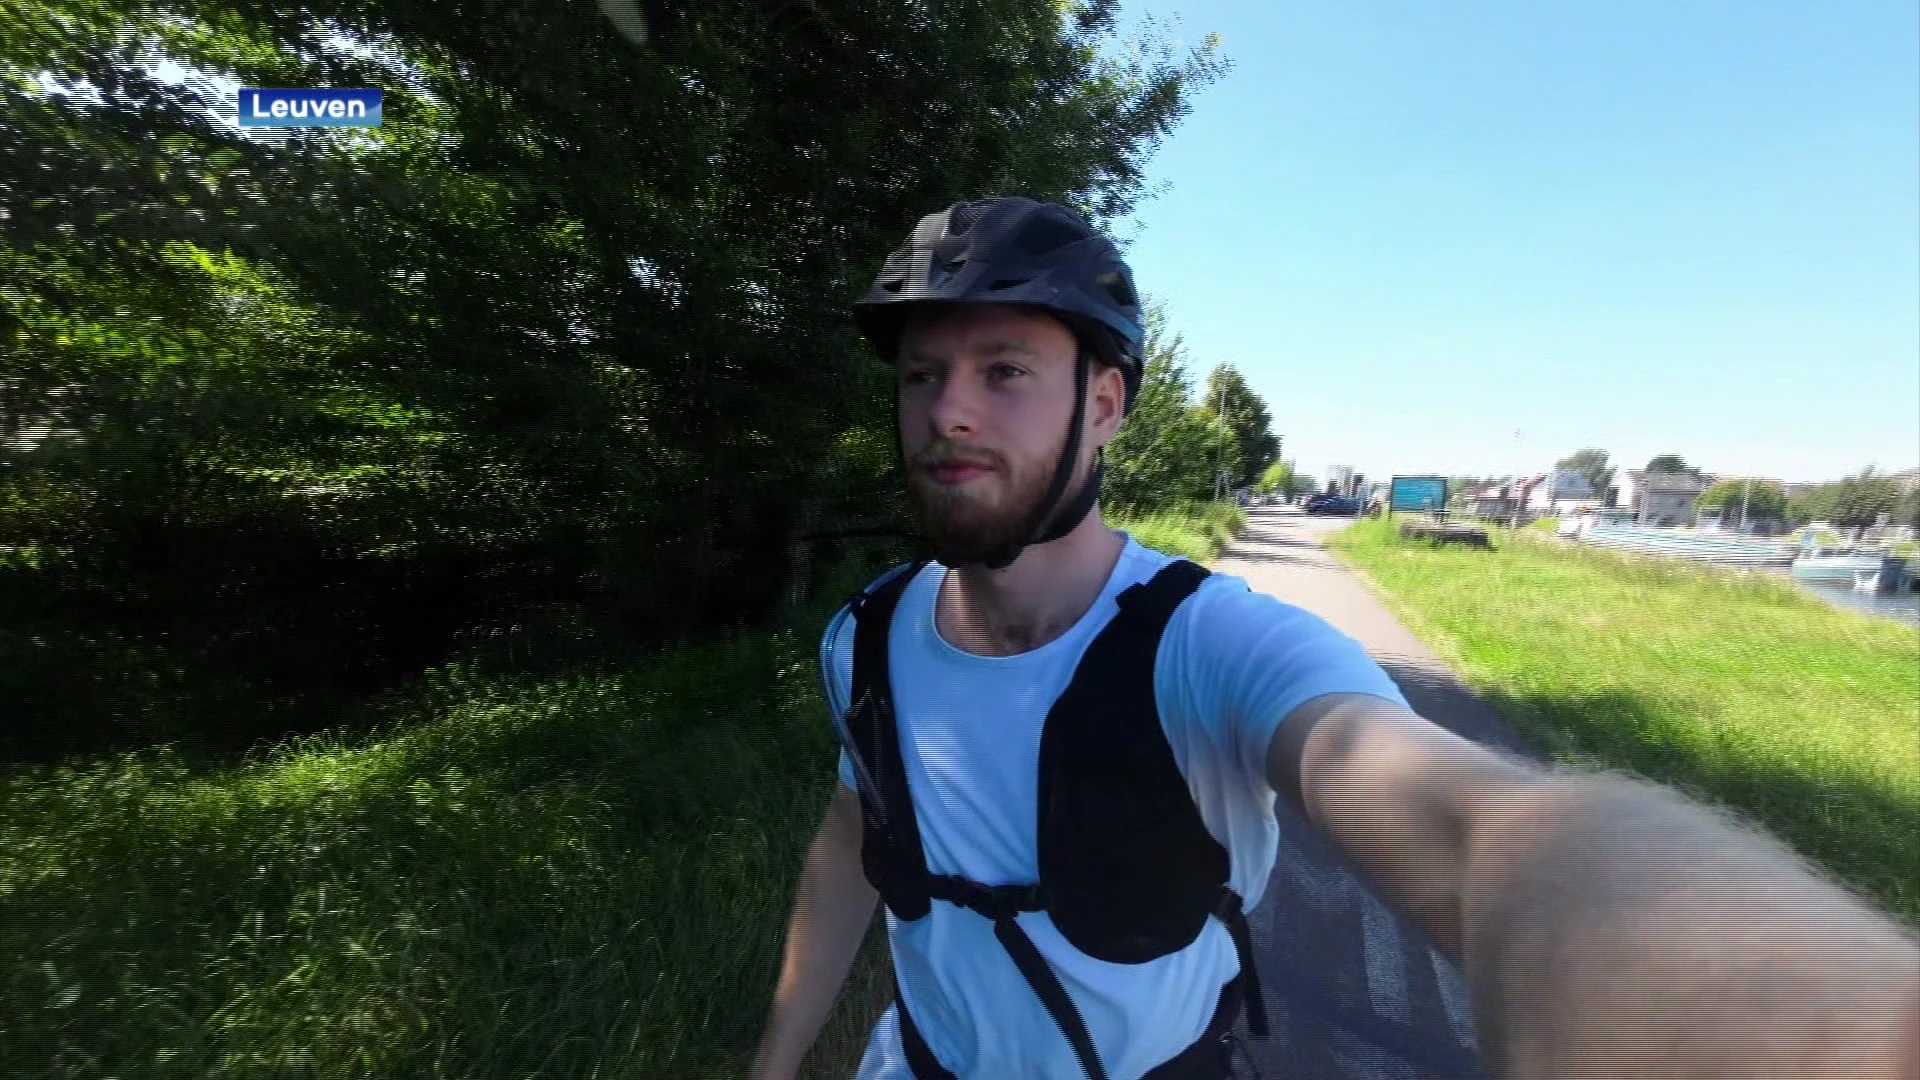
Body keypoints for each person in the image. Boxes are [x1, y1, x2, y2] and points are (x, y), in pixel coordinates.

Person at [749, 197, 1920, 1080]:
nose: (949, 410)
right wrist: (775, 1058)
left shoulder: (1207, 647)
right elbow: (862, 826)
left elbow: (1443, 810)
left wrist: (1682, 957)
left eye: (1005, 371)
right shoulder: (867, 635)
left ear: (1104, 404)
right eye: (922, 375)